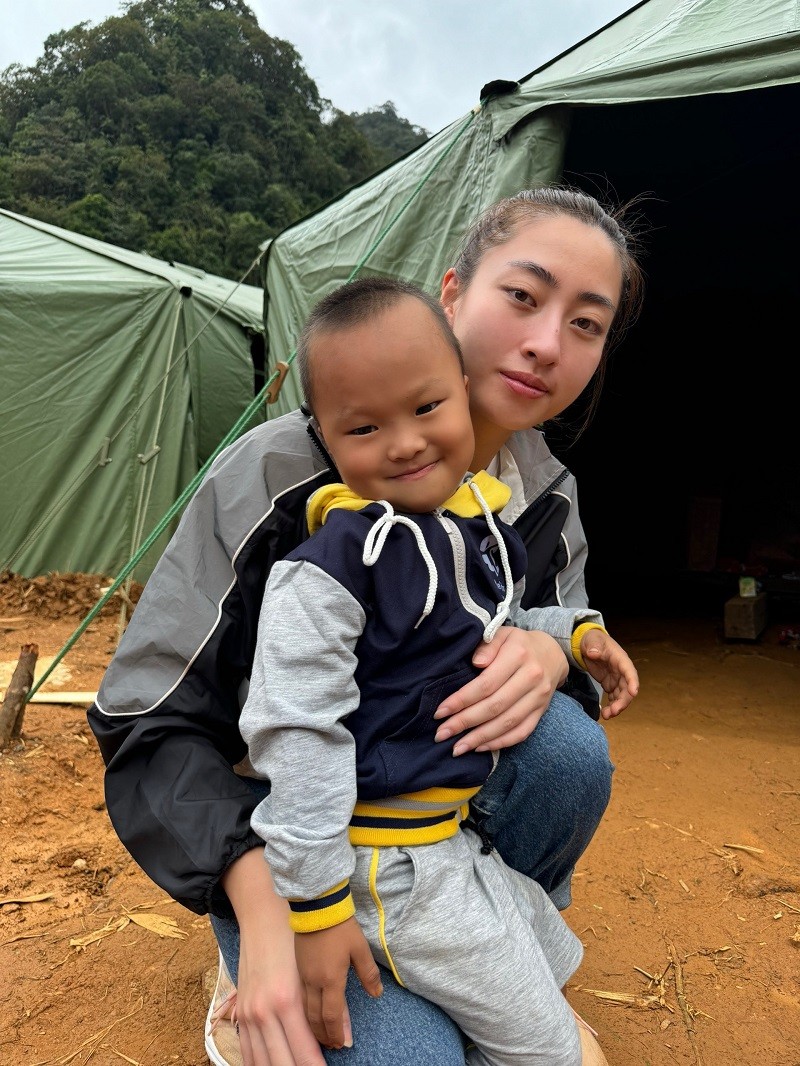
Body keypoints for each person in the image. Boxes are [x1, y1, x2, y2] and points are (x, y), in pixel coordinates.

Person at [87, 185, 644, 1066]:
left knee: (568, 749)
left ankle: (475, 962)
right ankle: (246, 973)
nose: (546, 343)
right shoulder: (280, 477)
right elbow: (144, 724)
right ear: (453, 294)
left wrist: (552, 647)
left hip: (432, 843)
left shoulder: (545, 501)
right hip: (286, 845)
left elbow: (559, 632)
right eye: (524, 297)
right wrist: (270, 909)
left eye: (587, 323)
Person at [237, 276, 638, 1065]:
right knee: (562, 1054)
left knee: (554, 958)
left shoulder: (471, 526)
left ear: (461, 390)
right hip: (386, 868)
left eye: (425, 409)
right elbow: (297, 731)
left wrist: (572, 633)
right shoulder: (330, 571)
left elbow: (497, 626)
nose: (405, 442)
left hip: (450, 840)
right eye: (364, 426)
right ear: (326, 436)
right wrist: (316, 908)